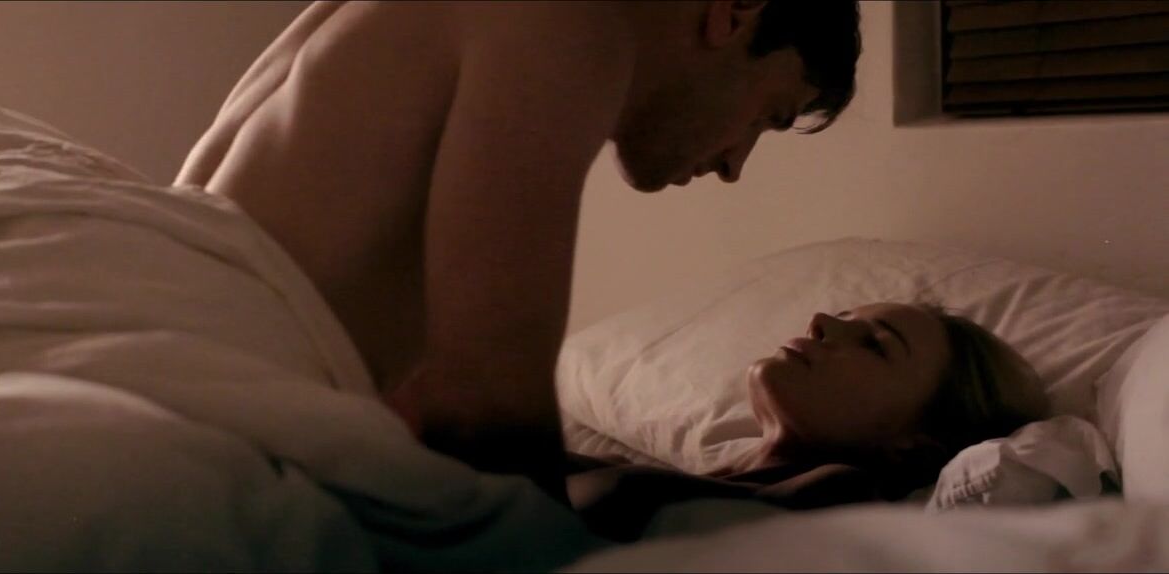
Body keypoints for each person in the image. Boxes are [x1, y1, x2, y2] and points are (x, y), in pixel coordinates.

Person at [175, 1, 862, 497]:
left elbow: (428, 416)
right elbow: (487, 418)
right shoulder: (572, 27)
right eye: (767, 117)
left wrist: (710, 490)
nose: (736, 164)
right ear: (735, 11)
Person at [566, 301, 1052, 541]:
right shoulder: (711, 484)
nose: (821, 321)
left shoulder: (836, 496)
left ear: (915, 444)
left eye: (874, 344)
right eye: (843, 316)